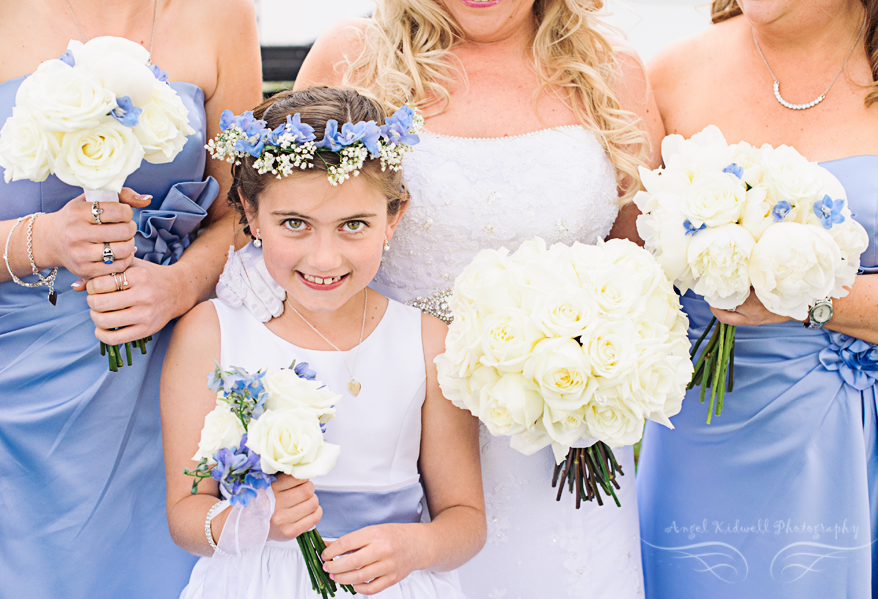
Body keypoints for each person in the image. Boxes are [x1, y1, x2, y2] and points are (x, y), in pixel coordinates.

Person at [216, 1, 665, 597]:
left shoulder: (611, 70)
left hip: (561, 437)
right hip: (387, 436)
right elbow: (293, 225)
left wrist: (597, 365)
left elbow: (641, 269)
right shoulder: (351, 55)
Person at [161, 87, 486, 599]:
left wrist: (417, 547)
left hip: (388, 583)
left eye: (353, 225)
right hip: (255, 582)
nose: (324, 259)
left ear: (393, 218)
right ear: (250, 211)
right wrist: (254, 520)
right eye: (295, 224)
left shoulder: (427, 341)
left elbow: (465, 519)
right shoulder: (211, 332)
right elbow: (185, 513)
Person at [636, 1, 878, 597]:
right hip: (702, 450)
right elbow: (632, 273)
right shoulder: (669, 75)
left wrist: (803, 298)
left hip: (871, 443)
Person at [0, 1, 261, 597]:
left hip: (168, 373)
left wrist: (178, 285)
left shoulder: (222, 14)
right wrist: (44, 238)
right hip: (19, 378)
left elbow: (245, 212)